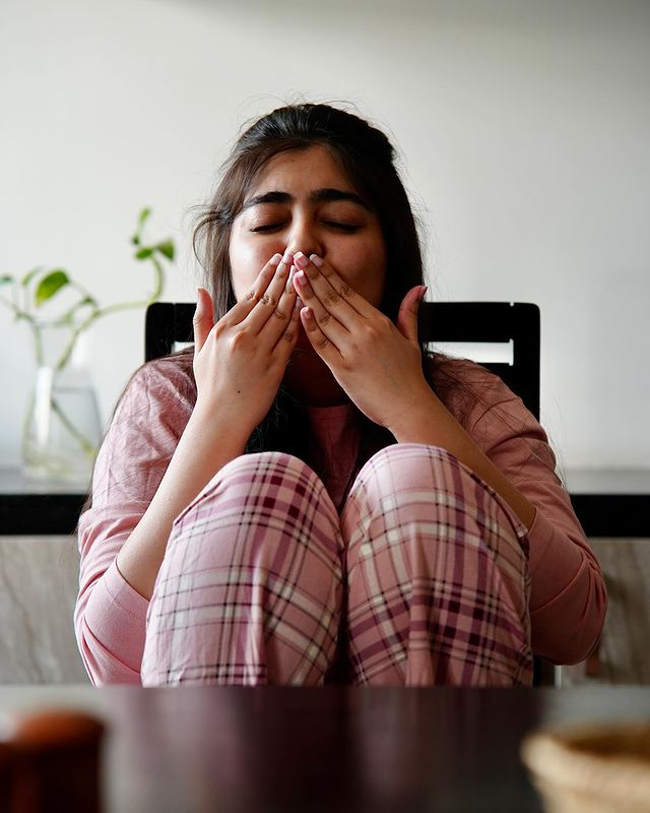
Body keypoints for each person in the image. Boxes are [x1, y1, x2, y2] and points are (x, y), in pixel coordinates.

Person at [74, 103, 606, 687]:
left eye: (342, 222)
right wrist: (218, 419)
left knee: (415, 476)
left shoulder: (469, 400)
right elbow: (109, 659)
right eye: (267, 223)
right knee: (262, 486)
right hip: (229, 741)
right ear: (227, 253)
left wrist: (413, 409)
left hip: (435, 739)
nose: (301, 245)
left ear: (391, 255)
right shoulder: (166, 399)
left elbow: (574, 630)